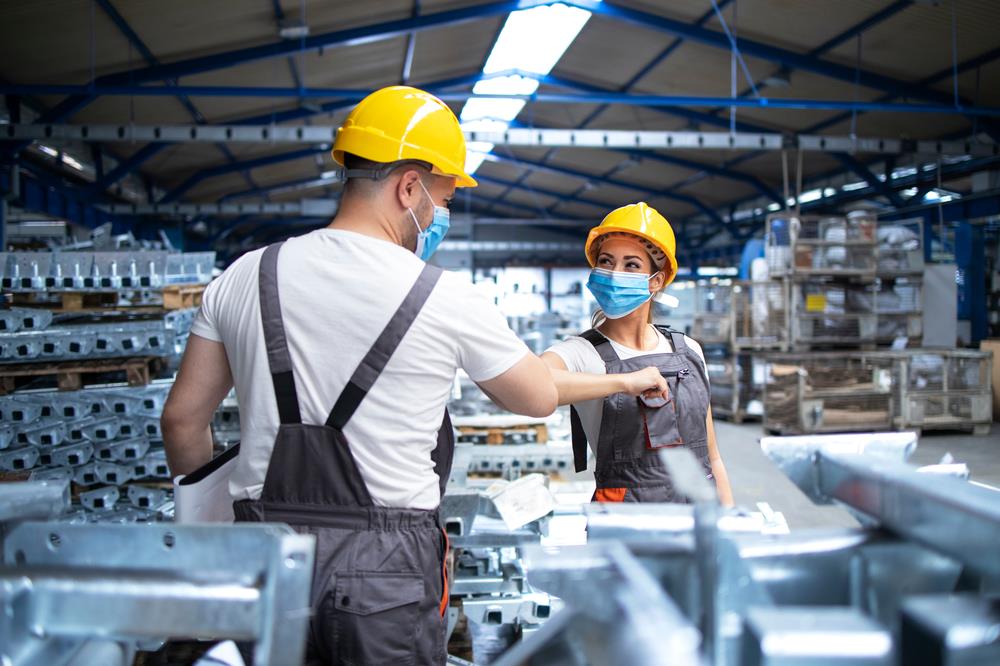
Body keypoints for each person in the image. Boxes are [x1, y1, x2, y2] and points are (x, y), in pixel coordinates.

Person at [161, 85, 559, 665]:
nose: (440, 215)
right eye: (442, 199)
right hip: (387, 576)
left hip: (261, 557)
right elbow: (536, 396)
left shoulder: (246, 274)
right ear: (408, 186)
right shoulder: (444, 295)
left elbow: (180, 421)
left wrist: (214, 534)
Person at [542, 202, 733, 505]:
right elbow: (535, 384)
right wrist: (624, 382)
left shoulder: (689, 351)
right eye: (606, 262)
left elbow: (713, 458)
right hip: (625, 527)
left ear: (656, 281)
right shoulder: (581, 352)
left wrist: (728, 524)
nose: (615, 273)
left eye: (631, 265)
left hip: (699, 518)